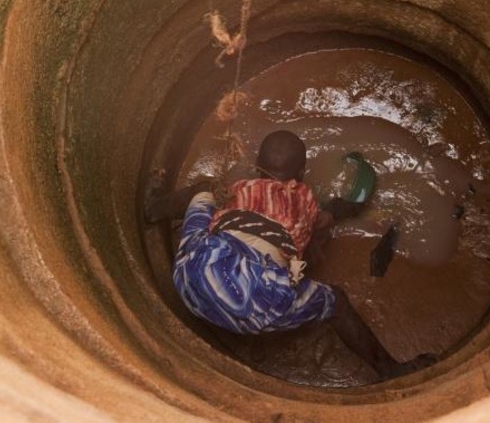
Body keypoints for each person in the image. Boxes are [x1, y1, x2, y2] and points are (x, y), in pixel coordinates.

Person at [147, 130, 434, 380]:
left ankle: (154, 208)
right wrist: (343, 209)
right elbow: (317, 228)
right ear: (300, 174)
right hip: (256, 304)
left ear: (257, 167)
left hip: (190, 277)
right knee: (337, 303)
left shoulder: (239, 189)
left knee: (204, 190)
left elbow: (228, 210)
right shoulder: (304, 199)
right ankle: (389, 370)